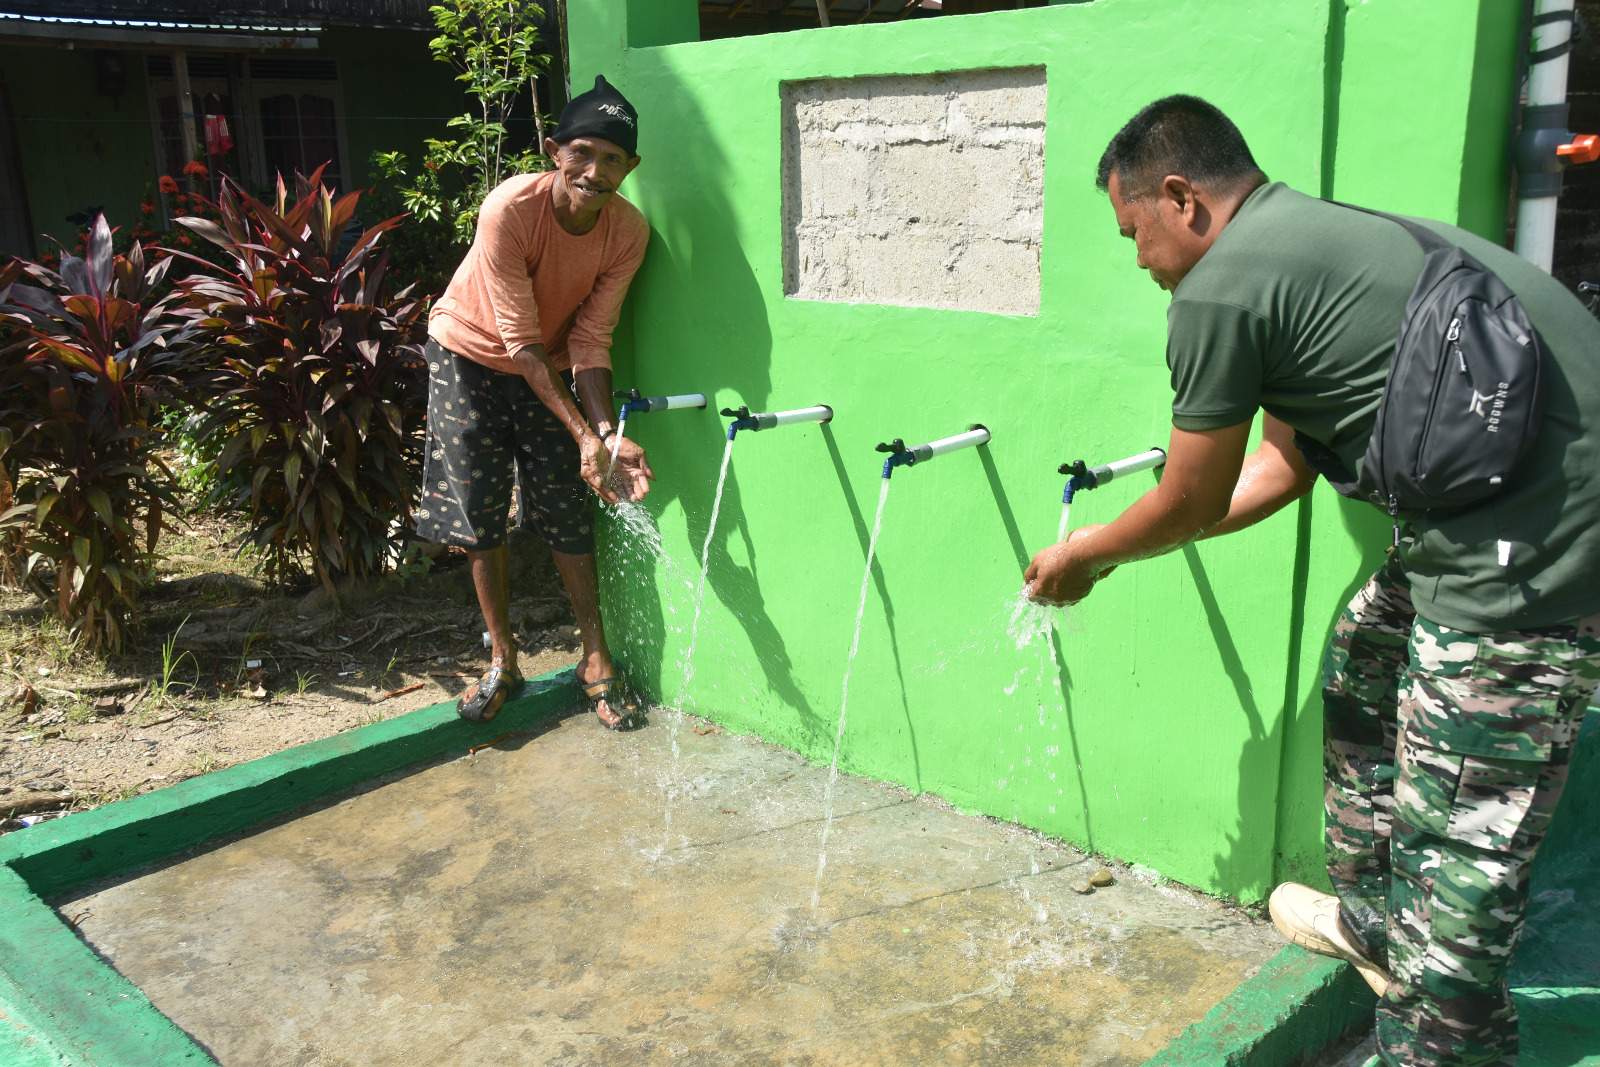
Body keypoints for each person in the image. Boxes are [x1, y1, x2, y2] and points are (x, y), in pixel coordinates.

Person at [1025, 95, 1600, 1065]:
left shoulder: (1220, 290)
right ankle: (1379, 921)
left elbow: (1190, 497)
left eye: (1134, 233)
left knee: (1456, 843)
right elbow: (1278, 471)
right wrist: (1143, 536)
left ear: (1181, 198)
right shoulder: (1320, 240)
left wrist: (1089, 552)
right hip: (1507, 513)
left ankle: (1437, 1016)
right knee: (1365, 666)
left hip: (1531, 543)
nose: (1138, 261)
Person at [419, 75, 653, 729]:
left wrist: (604, 434)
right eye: (583, 152)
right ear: (556, 151)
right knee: (481, 513)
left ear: (630, 168)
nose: (594, 171)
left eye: (612, 160)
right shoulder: (510, 210)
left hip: (544, 366)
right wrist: (583, 433)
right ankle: (502, 657)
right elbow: (518, 341)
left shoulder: (627, 233)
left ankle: (596, 658)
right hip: (468, 354)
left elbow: (590, 338)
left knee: (568, 507)